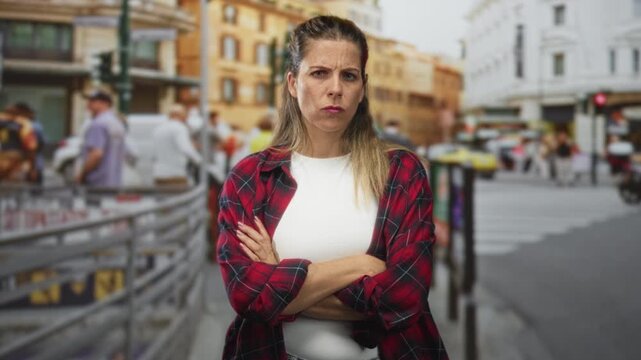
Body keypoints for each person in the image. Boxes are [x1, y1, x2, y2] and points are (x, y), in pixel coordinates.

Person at [217, 16, 447, 360]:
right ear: (293, 83)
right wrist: (359, 266)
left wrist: (279, 275)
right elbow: (247, 297)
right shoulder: (252, 177)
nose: (335, 88)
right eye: (320, 73)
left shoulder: (399, 172)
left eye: (349, 75)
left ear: (362, 87)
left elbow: (405, 299)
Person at [75, 91, 126, 187]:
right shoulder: (116, 123)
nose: (88, 105)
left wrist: (82, 175)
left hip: (97, 182)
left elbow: (96, 154)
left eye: (92, 101)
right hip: (114, 181)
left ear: (105, 103)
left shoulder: (98, 124)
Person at [152, 104, 202, 186]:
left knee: (164, 198)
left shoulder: (158, 129)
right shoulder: (179, 128)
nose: (186, 117)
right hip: (175, 174)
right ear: (179, 115)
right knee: (181, 197)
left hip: (158, 174)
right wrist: (200, 161)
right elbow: (186, 148)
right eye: (185, 114)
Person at [0, 106, 38, 182]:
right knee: (15, 188)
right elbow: (30, 146)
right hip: (16, 162)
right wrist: (32, 169)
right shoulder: (23, 123)